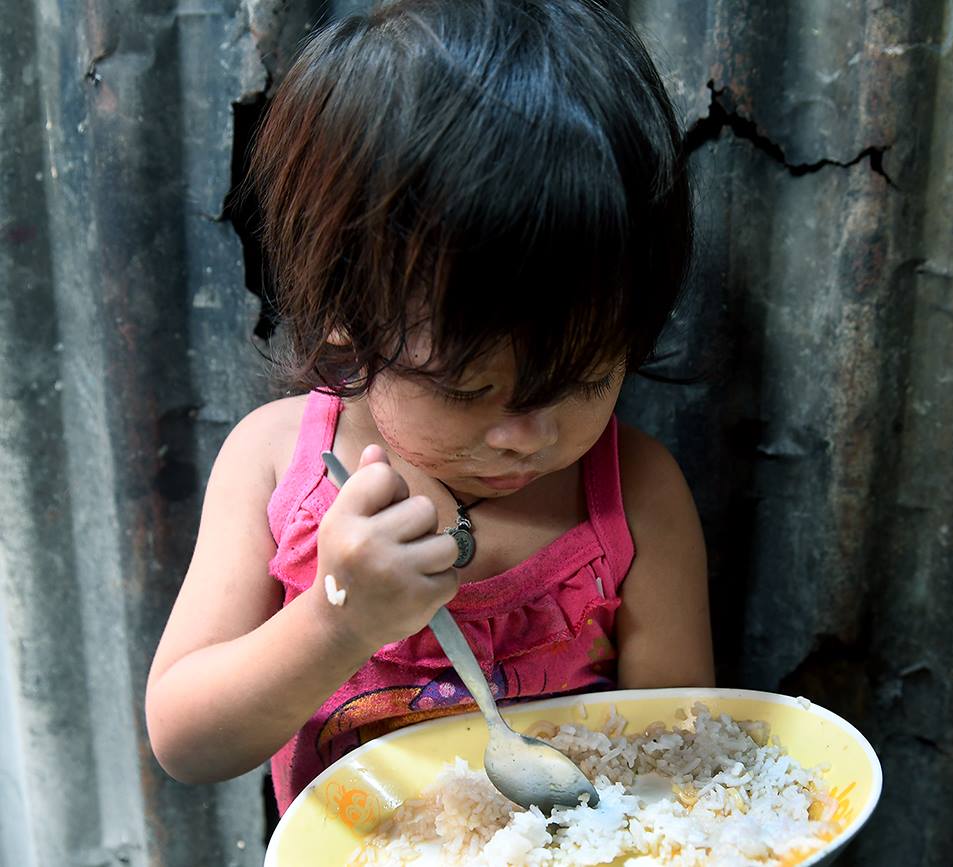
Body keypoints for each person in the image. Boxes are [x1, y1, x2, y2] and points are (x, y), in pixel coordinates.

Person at [144, 0, 714, 814]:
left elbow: (678, 762)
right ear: (345, 319)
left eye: (584, 379)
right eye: (468, 389)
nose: (529, 435)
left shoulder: (636, 500)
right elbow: (187, 741)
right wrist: (337, 623)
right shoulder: (274, 466)